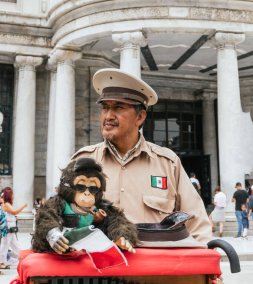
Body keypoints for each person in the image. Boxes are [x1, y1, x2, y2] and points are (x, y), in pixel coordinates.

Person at [71, 68, 212, 243]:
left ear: (140, 117)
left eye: (118, 107)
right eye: (105, 108)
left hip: (152, 268)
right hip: (97, 267)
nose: (108, 116)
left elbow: (197, 225)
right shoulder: (82, 162)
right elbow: (60, 217)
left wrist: (203, 265)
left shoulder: (167, 163)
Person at [0, 187, 27, 269]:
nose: (13, 196)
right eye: (12, 194)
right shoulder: (7, 204)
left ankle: (23, 257)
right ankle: (1, 262)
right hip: (8, 228)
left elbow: (12, 214)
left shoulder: (7, 204)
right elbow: (14, 211)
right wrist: (23, 206)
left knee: (15, 245)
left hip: (11, 228)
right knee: (5, 245)